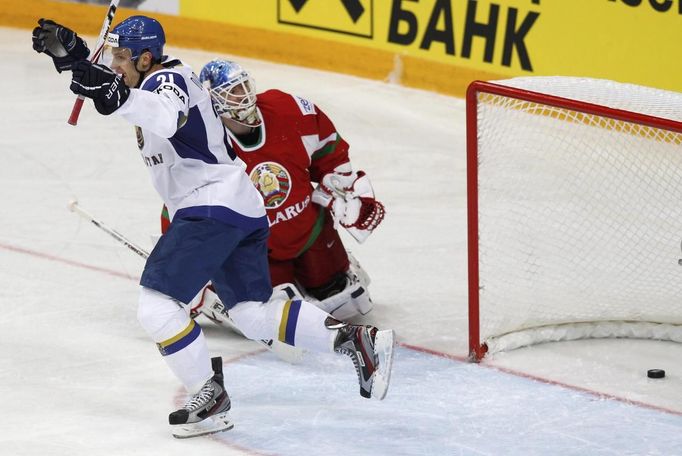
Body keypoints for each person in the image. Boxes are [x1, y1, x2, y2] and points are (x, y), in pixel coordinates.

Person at [31, 16, 395, 439]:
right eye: (111, 54)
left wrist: (94, 76)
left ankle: (208, 395)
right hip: (237, 205)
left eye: (121, 56)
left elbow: (162, 116)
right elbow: (118, 96)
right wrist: (78, 64)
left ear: (146, 58)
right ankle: (355, 341)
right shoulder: (150, 82)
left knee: (156, 304)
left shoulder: (169, 80)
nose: (114, 61)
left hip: (211, 205)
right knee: (253, 314)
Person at [168, 59, 385, 326]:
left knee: (345, 300)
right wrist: (185, 263)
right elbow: (181, 205)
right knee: (276, 314)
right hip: (257, 251)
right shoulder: (205, 146)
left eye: (244, 85)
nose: (244, 94)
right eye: (232, 91)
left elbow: (328, 148)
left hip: (309, 231)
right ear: (214, 101)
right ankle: (215, 291)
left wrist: (346, 191)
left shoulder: (287, 110)